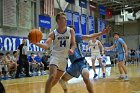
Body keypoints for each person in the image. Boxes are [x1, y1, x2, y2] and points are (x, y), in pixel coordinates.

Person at [31, 12, 76, 93]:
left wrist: (72, 49)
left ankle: (46, 90)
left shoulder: (71, 31)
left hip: (64, 58)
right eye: (63, 18)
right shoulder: (53, 33)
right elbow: (46, 46)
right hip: (55, 56)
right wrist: (36, 43)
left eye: (65, 18)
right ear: (58, 20)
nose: (65, 20)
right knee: (52, 76)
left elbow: (73, 44)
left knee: (56, 79)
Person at [59, 25, 110, 93]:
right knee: (62, 81)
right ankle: (66, 91)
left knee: (85, 78)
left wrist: (102, 33)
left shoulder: (77, 36)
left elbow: (90, 36)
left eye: (72, 31)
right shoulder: (65, 41)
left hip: (82, 62)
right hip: (73, 65)